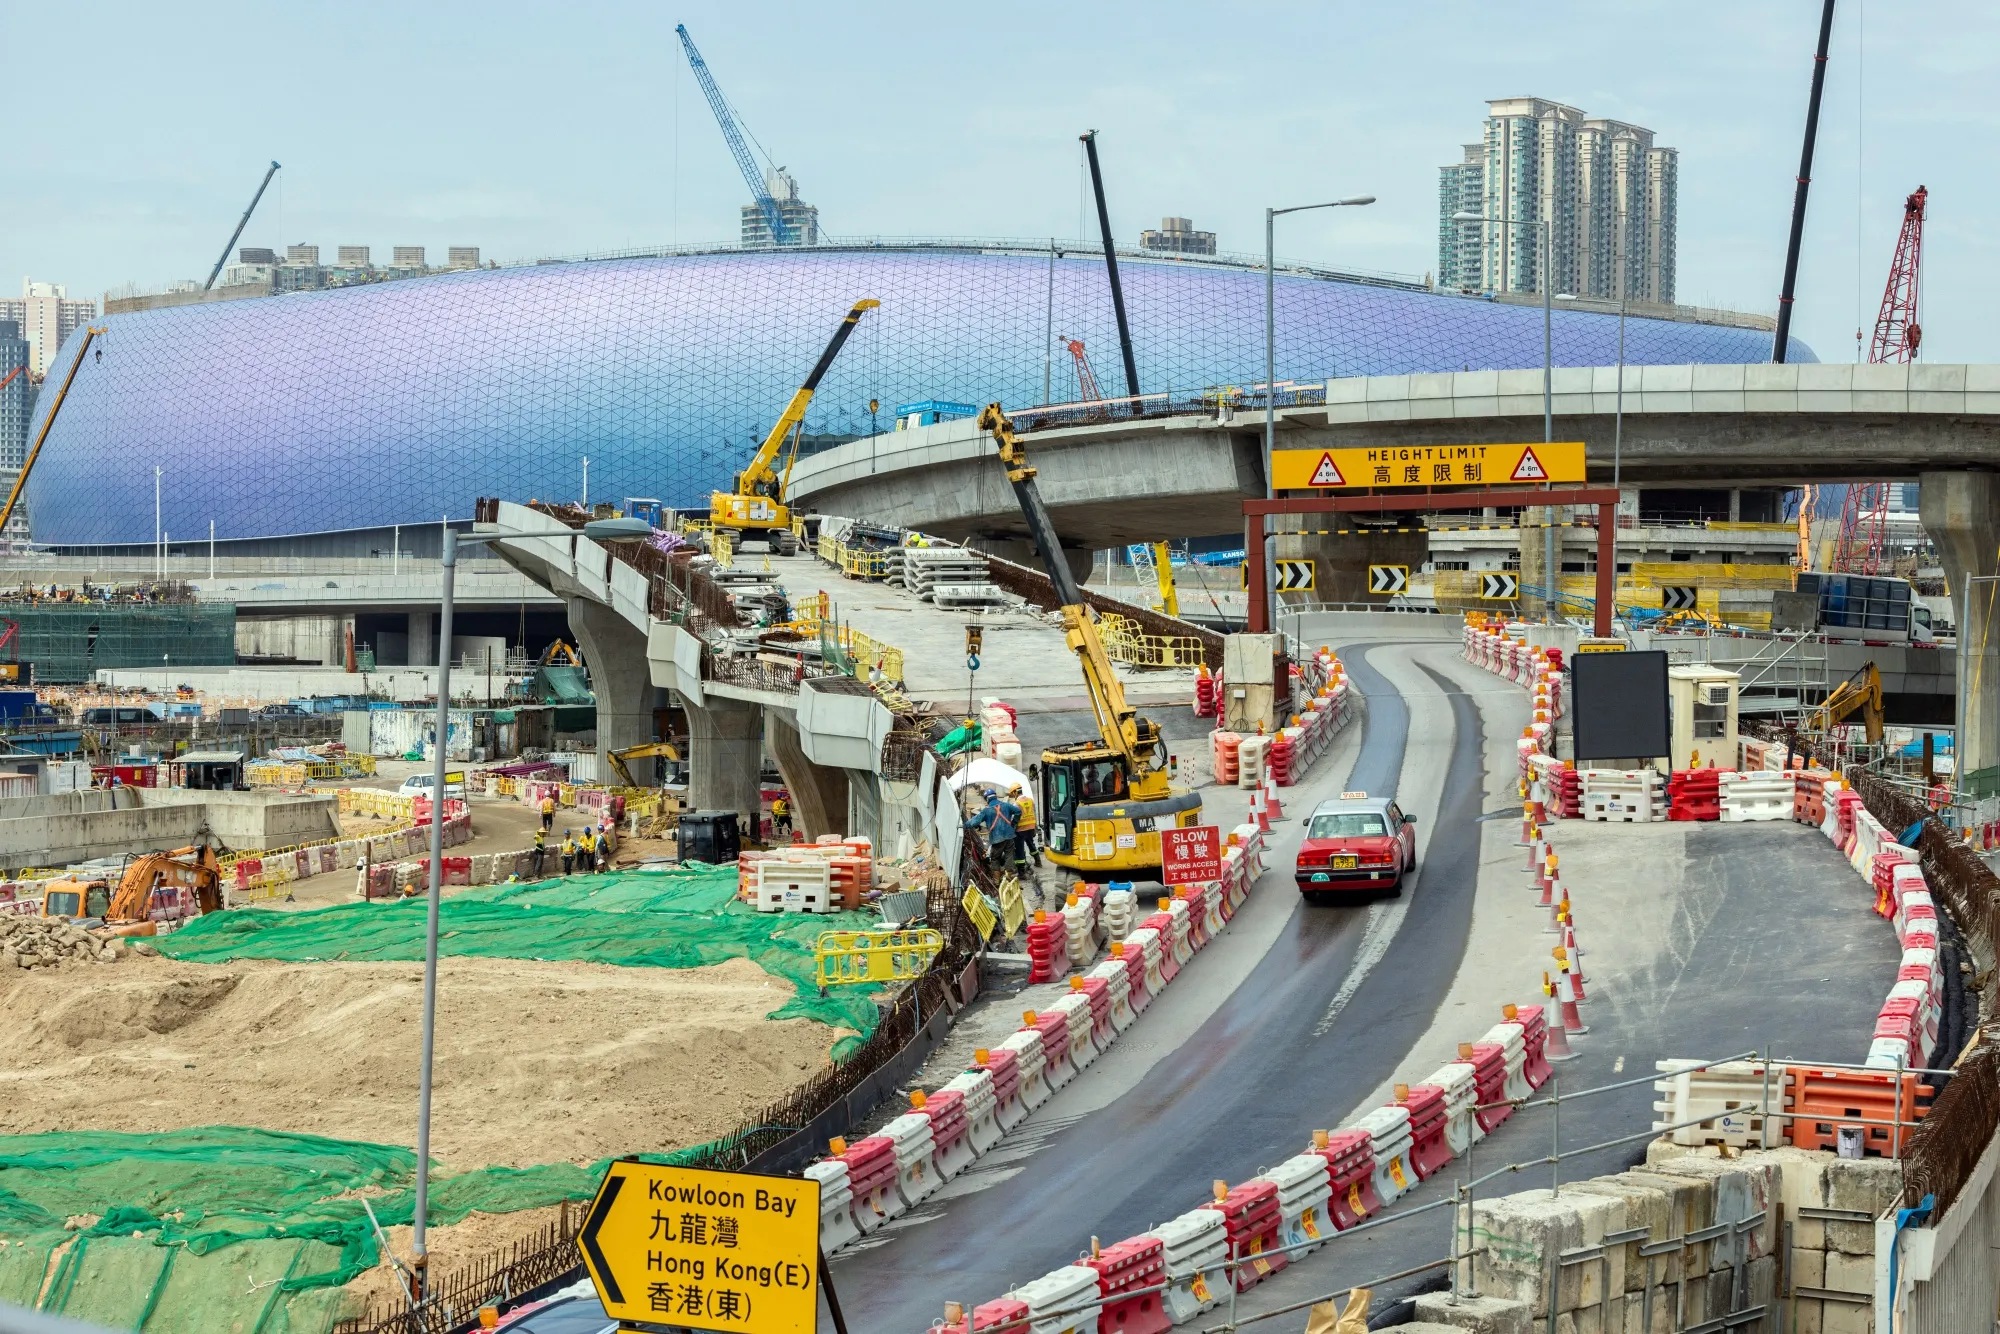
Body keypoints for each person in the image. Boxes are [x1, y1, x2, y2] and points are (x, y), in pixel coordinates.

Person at [1010, 783, 1038, 869]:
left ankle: (1021, 870)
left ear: (1015, 792)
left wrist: (1011, 826)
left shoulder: (1016, 804)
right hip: (1031, 827)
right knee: (1031, 844)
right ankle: (1038, 861)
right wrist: (1035, 826)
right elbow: (1034, 813)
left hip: (1021, 829)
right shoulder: (1030, 800)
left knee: (1019, 849)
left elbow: (1014, 818)